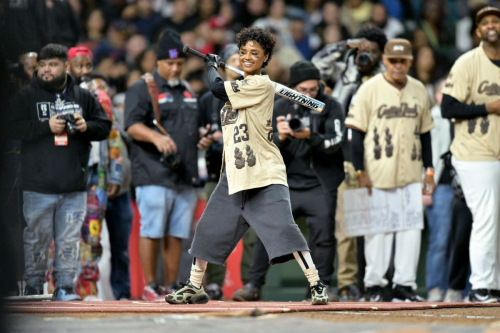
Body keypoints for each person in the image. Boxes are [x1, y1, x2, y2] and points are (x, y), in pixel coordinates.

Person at [166, 26, 330, 306]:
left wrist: (210, 66)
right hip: (234, 175)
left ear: (266, 58)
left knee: (285, 230)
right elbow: (226, 96)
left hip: (264, 173)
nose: (247, 57)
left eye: (255, 53)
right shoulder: (240, 88)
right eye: (243, 52)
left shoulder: (260, 84)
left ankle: (316, 284)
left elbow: (217, 88)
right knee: (207, 230)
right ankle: (195, 286)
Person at [231, 60, 345, 301]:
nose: (308, 95)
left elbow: (337, 142)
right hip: (284, 183)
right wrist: (281, 137)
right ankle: (254, 285)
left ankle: (319, 288)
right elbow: (260, 148)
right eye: (302, 91)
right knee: (266, 232)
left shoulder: (330, 106)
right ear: (291, 88)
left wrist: (311, 136)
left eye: (313, 90)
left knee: (324, 238)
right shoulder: (277, 106)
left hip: (319, 184)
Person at [8, 43, 111, 301]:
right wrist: (45, 126)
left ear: (65, 66)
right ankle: (33, 288)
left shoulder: (84, 97)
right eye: (42, 65)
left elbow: (104, 127)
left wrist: (86, 126)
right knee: (36, 242)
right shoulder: (26, 97)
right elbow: (9, 128)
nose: (45, 69)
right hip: (37, 186)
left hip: (73, 185)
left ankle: (65, 288)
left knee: (68, 242)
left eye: (51, 64)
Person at [345, 38, 435, 302]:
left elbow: (427, 133)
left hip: (411, 170)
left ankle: (404, 286)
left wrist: (429, 170)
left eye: (402, 60)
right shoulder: (369, 89)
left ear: (410, 61)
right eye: (393, 60)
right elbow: (355, 133)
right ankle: (374, 286)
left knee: (410, 229)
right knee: (378, 230)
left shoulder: (419, 89)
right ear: (384, 60)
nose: (398, 65)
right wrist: (360, 171)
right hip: (377, 171)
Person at [125, 29, 205, 301]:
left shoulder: (188, 90)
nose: (174, 68)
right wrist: (155, 137)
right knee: (153, 229)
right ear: (157, 62)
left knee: (177, 233)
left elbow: (193, 128)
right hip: (153, 171)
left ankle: (170, 285)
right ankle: (150, 285)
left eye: (179, 64)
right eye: (169, 63)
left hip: (184, 174)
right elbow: (132, 125)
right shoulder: (144, 87)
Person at [312, 26, 388, 301]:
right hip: (342, 153)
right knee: (346, 224)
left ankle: (377, 282)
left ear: (382, 55)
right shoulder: (346, 71)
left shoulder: (384, 78)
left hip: (375, 154)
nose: (365, 55)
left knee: (378, 223)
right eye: (362, 49)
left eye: (372, 51)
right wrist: (345, 45)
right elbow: (315, 65)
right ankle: (347, 284)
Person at [441, 6, 500, 303]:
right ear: (477, 31)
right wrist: (487, 107)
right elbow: (447, 108)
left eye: (496, 21)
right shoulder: (467, 62)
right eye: (485, 22)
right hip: (474, 153)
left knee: (496, 220)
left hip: (497, 153)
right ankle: (480, 287)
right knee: (486, 218)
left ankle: (494, 284)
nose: (491, 25)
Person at [198, 43, 257, 300]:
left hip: (248, 173)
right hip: (217, 173)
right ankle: (212, 284)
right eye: (234, 58)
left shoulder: (254, 92)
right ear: (223, 66)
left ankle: (250, 285)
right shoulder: (206, 99)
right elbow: (196, 136)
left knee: (254, 235)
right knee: (214, 231)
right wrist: (203, 140)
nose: (239, 63)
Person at [66, 46, 124, 300]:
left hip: (96, 176)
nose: (84, 71)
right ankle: (60, 286)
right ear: (68, 67)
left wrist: (116, 174)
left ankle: (87, 287)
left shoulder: (102, 96)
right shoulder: (60, 95)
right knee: (64, 233)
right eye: (78, 66)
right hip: (65, 174)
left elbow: (113, 136)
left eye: (87, 66)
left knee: (92, 233)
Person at [424, 79, 454, 302]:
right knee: (440, 240)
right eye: (444, 92)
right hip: (440, 187)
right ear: (436, 96)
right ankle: (435, 287)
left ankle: (460, 288)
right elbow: (427, 156)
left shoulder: (461, 116)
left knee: (463, 240)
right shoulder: (433, 117)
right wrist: (426, 188)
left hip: (463, 186)